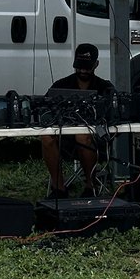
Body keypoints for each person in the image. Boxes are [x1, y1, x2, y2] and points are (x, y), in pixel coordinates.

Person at [40, 43, 115, 198]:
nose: (82, 71)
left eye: (87, 67)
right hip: (66, 139)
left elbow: (114, 114)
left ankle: (90, 186)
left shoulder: (105, 87)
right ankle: (59, 188)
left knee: (82, 136)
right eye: (79, 67)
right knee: (47, 137)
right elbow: (45, 108)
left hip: (95, 139)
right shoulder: (61, 86)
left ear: (96, 65)